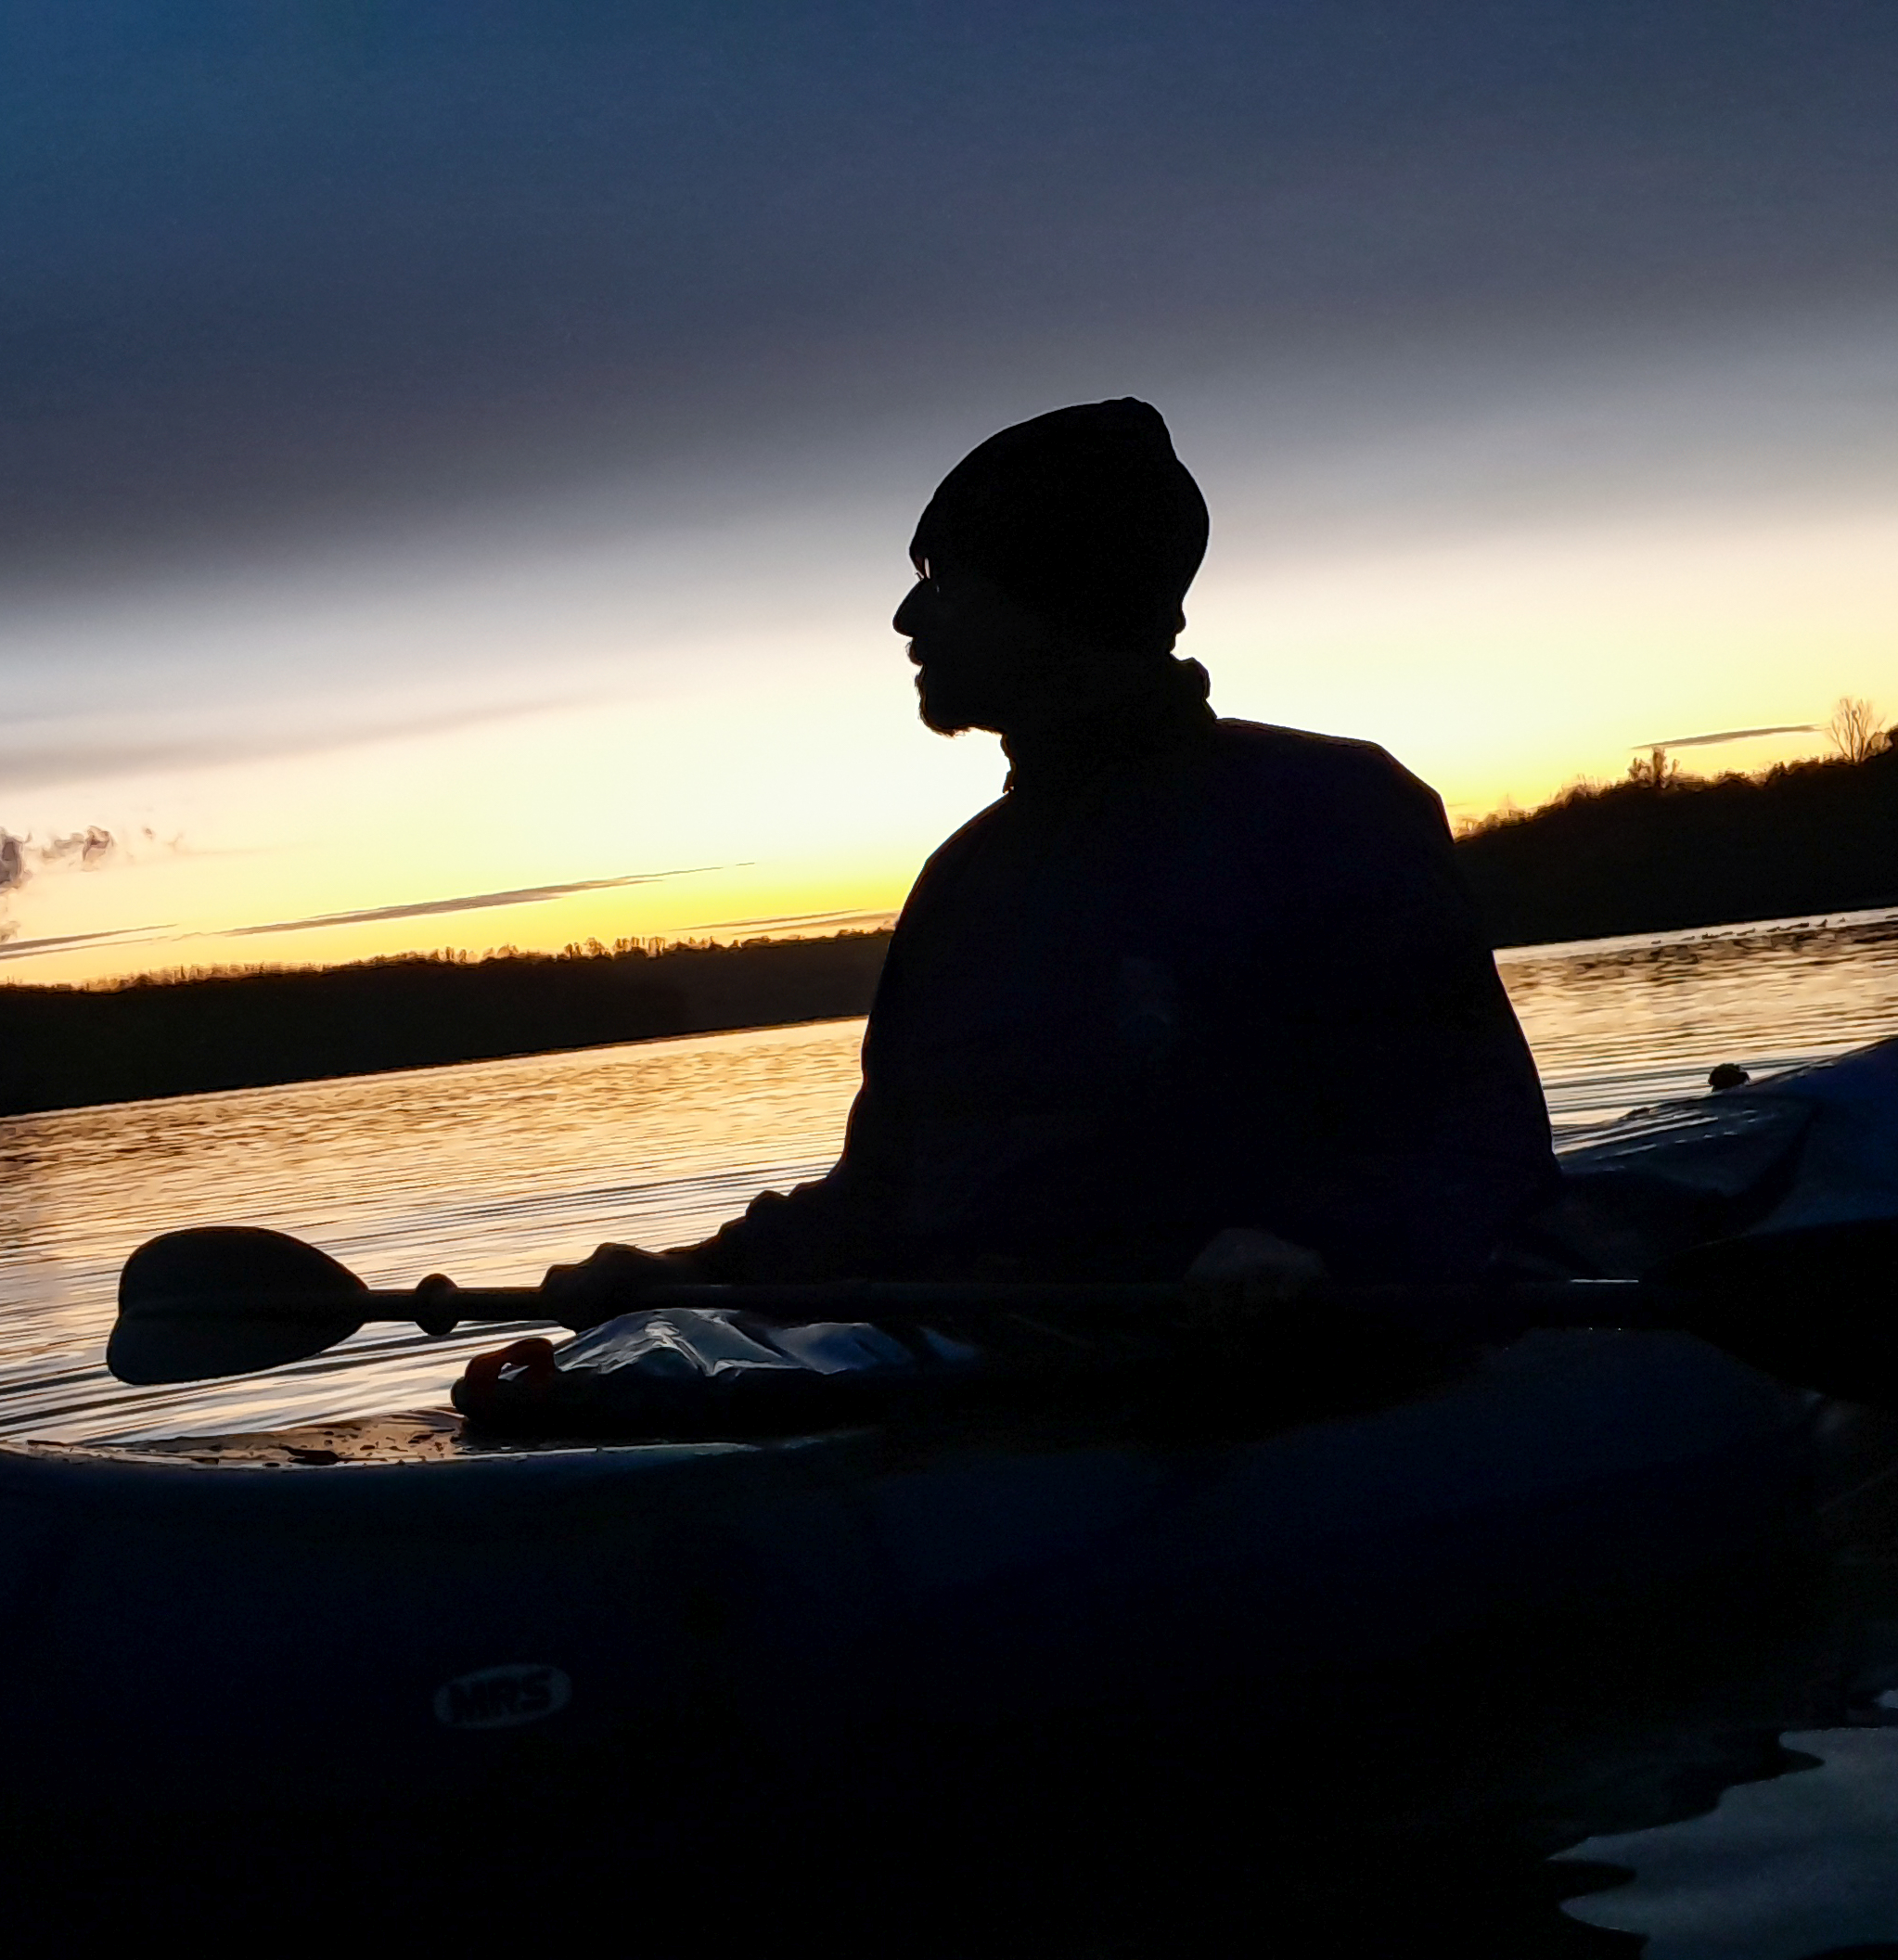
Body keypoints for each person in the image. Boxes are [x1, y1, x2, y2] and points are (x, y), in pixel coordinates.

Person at [539, 398, 1556, 1327]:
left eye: (946, 584)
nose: (906, 619)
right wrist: (685, 1275)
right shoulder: (967, 882)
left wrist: (1324, 1243)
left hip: (1271, 1386)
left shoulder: (1332, 808)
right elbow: (892, 1192)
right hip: (1021, 1399)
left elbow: (1475, 1139)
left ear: (1057, 599)